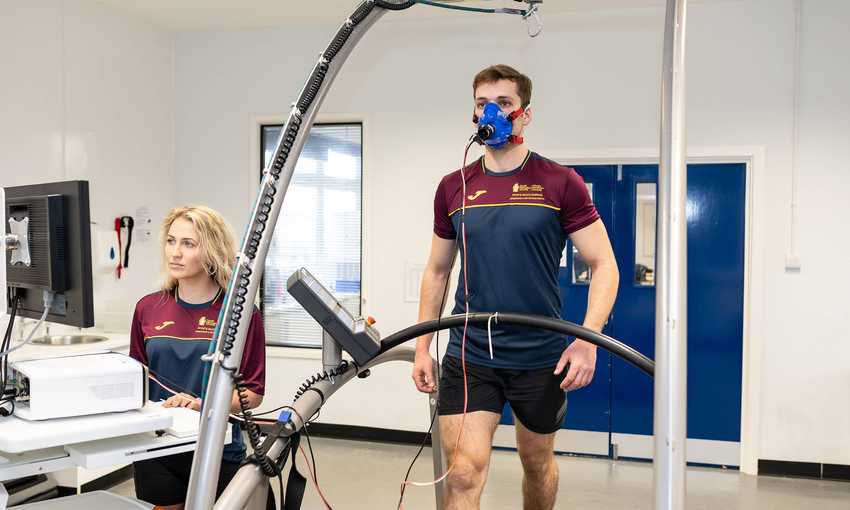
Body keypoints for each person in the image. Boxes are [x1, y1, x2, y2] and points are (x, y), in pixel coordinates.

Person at [412, 65, 619, 510]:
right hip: (471, 351)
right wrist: (422, 345)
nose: (493, 112)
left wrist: (588, 342)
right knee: (463, 471)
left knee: (536, 463)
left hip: (539, 355)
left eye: (503, 103)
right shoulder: (454, 187)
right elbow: (437, 271)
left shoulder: (560, 182)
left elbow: (604, 265)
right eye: (483, 103)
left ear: (525, 114)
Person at [129, 205, 272, 510]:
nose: (175, 253)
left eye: (188, 244)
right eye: (171, 241)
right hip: (158, 446)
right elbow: (135, 380)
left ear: (210, 250)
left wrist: (202, 404)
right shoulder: (148, 308)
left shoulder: (240, 314)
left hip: (218, 449)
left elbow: (253, 393)